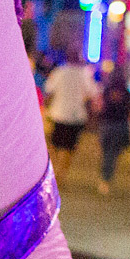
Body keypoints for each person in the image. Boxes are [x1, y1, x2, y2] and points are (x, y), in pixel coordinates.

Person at [41, 52, 99, 184]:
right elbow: (92, 93)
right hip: (76, 116)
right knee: (69, 147)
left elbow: (49, 92)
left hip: (58, 114)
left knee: (55, 145)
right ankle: (61, 172)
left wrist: (46, 110)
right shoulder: (84, 74)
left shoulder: (59, 72)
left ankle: (56, 171)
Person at [95, 63, 130, 196]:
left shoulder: (107, 90)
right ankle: (106, 178)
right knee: (112, 154)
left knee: (106, 153)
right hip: (119, 126)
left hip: (106, 125)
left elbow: (100, 106)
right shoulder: (127, 93)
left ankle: (104, 178)